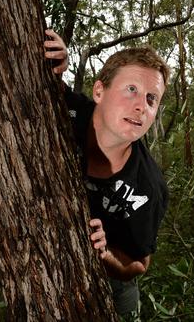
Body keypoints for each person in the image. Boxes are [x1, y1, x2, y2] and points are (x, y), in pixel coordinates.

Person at [44, 29, 169, 319]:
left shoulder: (149, 187)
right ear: (99, 91)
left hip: (114, 290)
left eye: (152, 99)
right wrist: (55, 58)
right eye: (131, 89)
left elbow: (138, 265)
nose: (141, 105)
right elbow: (39, 77)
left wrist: (105, 252)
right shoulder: (69, 112)